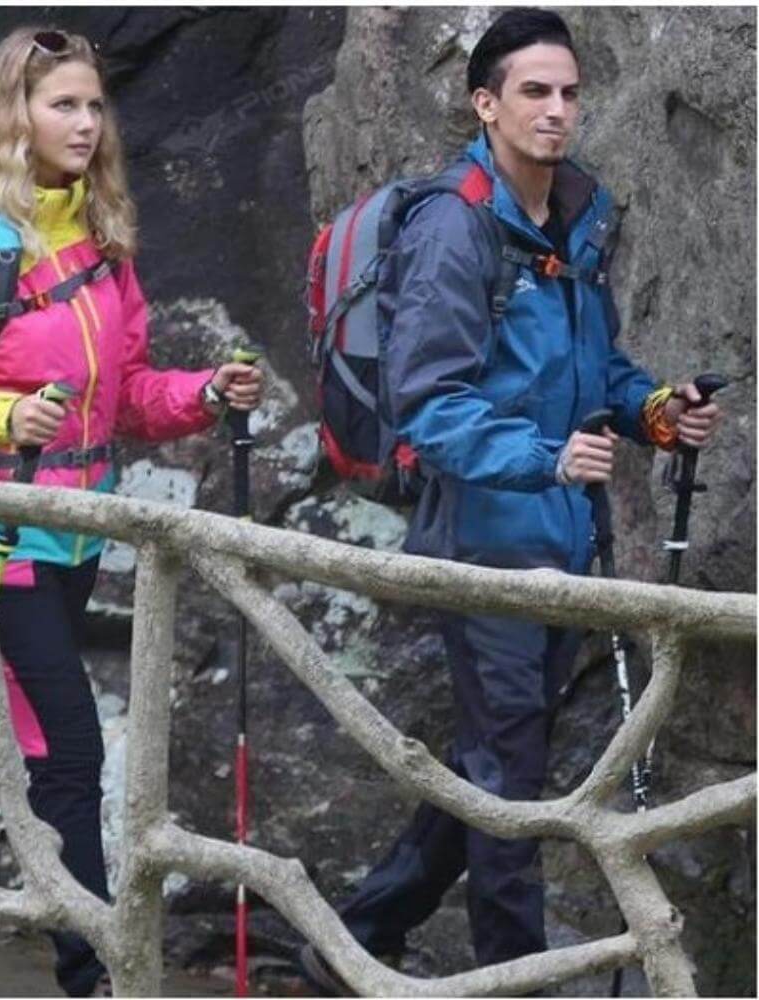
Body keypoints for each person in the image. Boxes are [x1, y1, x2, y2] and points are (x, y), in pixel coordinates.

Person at [0, 27, 264, 999]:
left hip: (74, 531)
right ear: (11, 114)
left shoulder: (103, 246)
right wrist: (3, 412)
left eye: (93, 105)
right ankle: (95, 971)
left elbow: (131, 395)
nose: (83, 122)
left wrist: (202, 395)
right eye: (61, 103)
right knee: (63, 747)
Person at [300, 7, 720, 992]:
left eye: (570, 91)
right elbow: (427, 404)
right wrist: (545, 456)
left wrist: (654, 412)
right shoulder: (455, 228)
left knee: (495, 756)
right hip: (484, 545)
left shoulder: (575, 215)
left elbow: (594, 367)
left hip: (560, 544)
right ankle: (513, 978)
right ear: (484, 103)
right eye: (534, 90)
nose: (557, 109)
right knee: (509, 780)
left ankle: (352, 937)